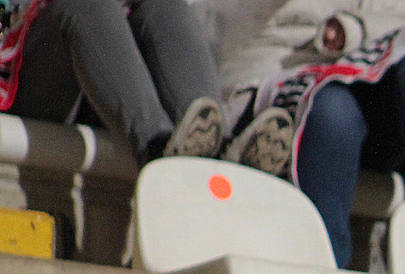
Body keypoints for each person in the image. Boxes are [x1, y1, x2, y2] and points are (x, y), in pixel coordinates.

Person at [218, 0, 405, 268]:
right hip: (289, 82)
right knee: (333, 110)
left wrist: (354, 29)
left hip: (368, 82)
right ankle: (326, 262)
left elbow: (401, 14)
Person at [2, 0, 290, 171]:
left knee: (164, 6)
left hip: (97, 73)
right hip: (27, 77)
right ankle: (158, 148)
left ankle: (216, 149)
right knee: (84, 3)